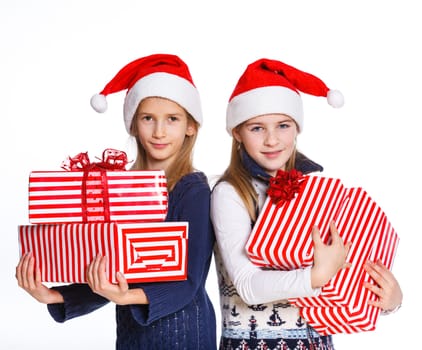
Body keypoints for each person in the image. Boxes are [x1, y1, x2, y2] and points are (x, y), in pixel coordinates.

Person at [16, 53, 217, 349]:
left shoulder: (193, 190)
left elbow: (189, 281)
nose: (159, 131)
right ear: (133, 124)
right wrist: (56, 295)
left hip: (184, 332)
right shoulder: (121, 190)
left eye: (172, 119)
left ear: (191, 126)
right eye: (148, 118)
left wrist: (125, 296)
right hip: (133, 334)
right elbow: (108, 273)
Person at [210, 58, 403, 349]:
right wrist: (317, 275)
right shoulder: (231, 193)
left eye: (283, 125)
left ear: (297, 128)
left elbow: (343, 275)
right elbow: (248, 286)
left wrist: (388, 301)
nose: (272, 139)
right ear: (237, 132)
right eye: (257, 128)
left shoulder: (316, 189)